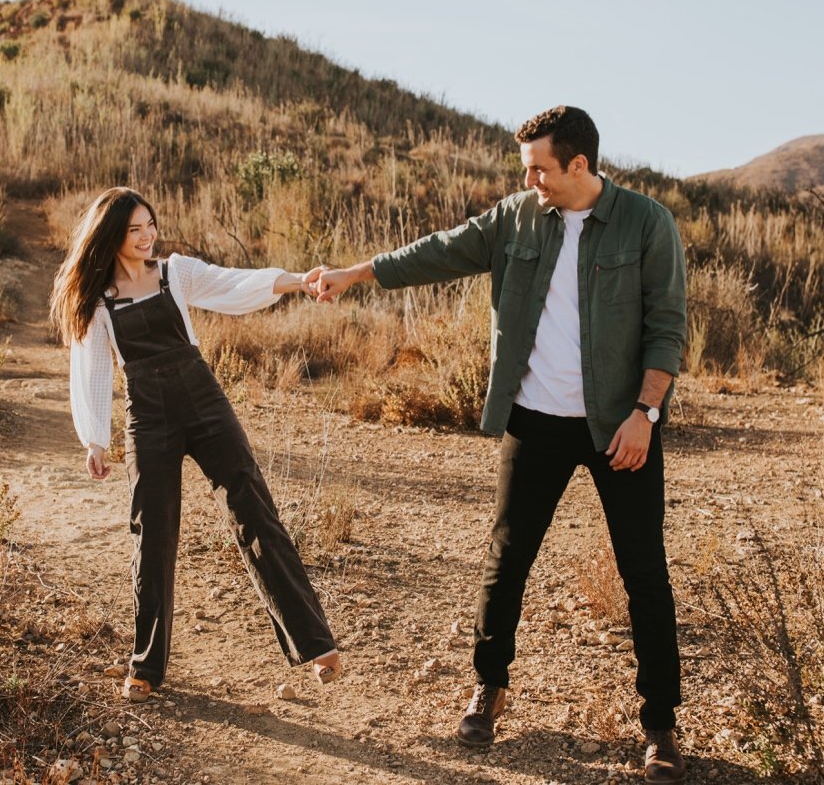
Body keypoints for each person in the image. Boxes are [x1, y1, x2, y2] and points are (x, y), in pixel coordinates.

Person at [311, 106, 688, 782]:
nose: (529, 180)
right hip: (534, 420)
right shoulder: (515, 218)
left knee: (644, 574)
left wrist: (646, 412)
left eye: (539, 168)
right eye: (525, 169)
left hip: (619, 425)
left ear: (578, 165)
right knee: (505, 560)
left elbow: (667, 324)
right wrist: (354, 273)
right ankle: (489, 687)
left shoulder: (645, 222)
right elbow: (436, 251)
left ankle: (659, 723)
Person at [50, 186, 341, 702]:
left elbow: (233, 285)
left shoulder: (174, 273)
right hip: (149, 418)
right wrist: (95, 438)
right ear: (112, 234)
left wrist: (296, 281)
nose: (147, 236)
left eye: (150, 225)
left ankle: (315, 643)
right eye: (135, 228)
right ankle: (145, 665)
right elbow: (90, 368)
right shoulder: (98, 303)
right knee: (153, 534)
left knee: (254, 509)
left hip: (204, 404)